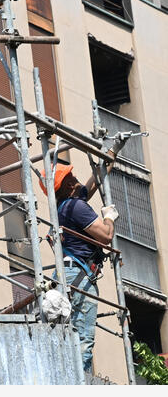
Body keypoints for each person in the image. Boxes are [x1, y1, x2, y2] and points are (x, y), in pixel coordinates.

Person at [39, 134, 128, 373]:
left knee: (68, 336)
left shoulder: (65, 206)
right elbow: (106, 236)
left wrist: (113, 151)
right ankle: (79, 383)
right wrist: (109, 217)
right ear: (67, 185)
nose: (76, 178)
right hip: (78, 276)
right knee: (83, 338)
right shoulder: (76, 208)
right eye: (71, 176)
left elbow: (96, 180)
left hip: (69, 273)